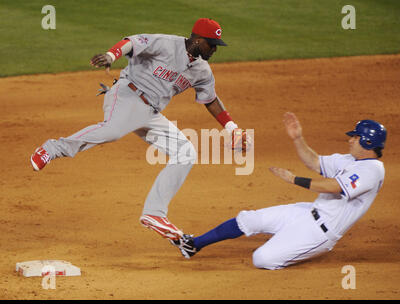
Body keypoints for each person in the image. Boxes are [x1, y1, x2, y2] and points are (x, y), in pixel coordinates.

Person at [30, 18, 249, 242]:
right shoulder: (166, 44)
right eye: (211, 44)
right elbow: (132, 42)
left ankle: (154, 213)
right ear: (197, 39)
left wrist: (231, 127)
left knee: (186, 153)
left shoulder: (202, 70)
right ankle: (53, 148)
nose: (214, 49)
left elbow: (210, 99)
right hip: (127, 94)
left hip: (151, 113)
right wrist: (111, 55)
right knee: (112, 131)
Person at [174, 112, 387, 270]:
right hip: (307, 211)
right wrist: (297, 139)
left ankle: (291, 243)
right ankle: (193, 245)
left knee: (262, 259)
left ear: (368, 142)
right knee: (249, 219)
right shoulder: (349, 160)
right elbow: (315, 162)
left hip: (320, 232)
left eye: (356, 138)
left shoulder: (372, 170)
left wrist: (293, 179)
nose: (350, 140)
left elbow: (334, 186)